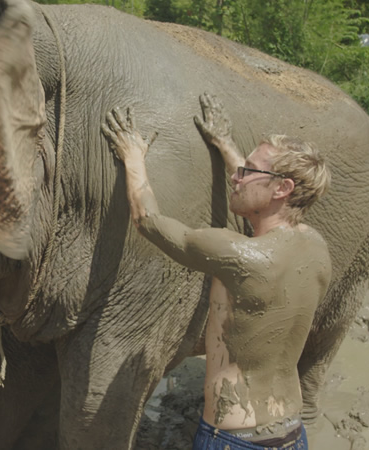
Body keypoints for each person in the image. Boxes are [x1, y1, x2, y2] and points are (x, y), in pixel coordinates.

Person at [101, 93, 332, 450]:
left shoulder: (238, 254)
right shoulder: (317, 249)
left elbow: (148, 221)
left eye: (248, 171)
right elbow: (262, 201)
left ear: (283, 188)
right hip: (291, 434)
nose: (237, 178)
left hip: (233, 439)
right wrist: (225, 144)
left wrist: (133, 156)